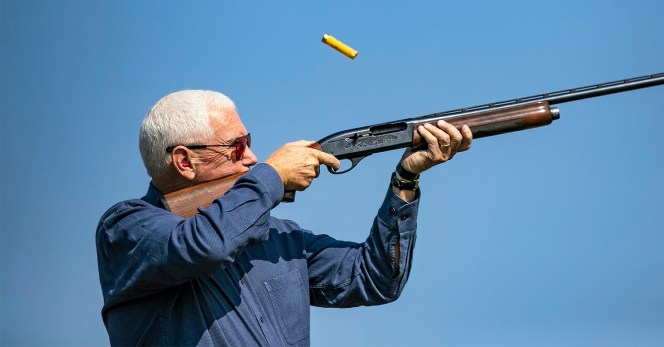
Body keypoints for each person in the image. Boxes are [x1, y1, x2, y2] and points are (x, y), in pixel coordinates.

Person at [96, 90, 472, 346]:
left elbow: (375, 280)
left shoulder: (279, 237)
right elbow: (205, 246)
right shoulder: (127, 227)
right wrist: (273, 176)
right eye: (237, 146)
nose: (253, 158)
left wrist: (405, 178)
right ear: (184, 161)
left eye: (249, 141)